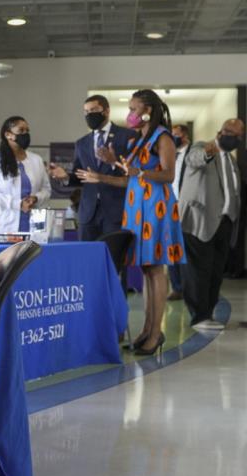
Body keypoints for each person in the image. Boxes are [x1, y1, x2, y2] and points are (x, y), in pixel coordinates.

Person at [76, 89, 183, 355]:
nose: (131, 114)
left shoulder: (162, 136)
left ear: (147, 111)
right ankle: (147, 329)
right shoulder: (141, 139)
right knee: (147, 270)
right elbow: (130, 178)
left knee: (156, 269)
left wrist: (140, 171)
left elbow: (168, 175)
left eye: (134, 109)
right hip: (138, 208)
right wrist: (115, 163)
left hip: (155, 207)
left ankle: (156, 332)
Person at [179, 119, 244, 330]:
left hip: (225, 222)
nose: (231, 136)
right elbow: (194, 159)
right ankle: (198, 317)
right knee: (198, 271)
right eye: (227, 131)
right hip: (200, 219)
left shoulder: (231, 161)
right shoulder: (201, 147)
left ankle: (208, 313)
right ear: (220, 131)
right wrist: (209, 152)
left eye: (236, 134)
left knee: (216, 271)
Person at [47, 95, 131, 241]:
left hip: (116, 210)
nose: (89, 114)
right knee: (88, 258)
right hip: (88, 211)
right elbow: (81, 175)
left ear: (106, 111)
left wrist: (113, 162)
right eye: (86, 112)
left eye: (93, 110)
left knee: (114, 257)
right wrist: (66, 177)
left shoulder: (127, 135)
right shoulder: (82, 143)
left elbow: (132, 173)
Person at [0, 116, 50, 232]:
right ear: (8, 135)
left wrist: (36, 198)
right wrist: (18, 204)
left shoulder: (36, 160)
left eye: (27, 131)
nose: (25, 134)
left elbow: (46, 189)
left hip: (33, 222)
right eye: (21, 131)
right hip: (4, 224)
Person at [168, 124, 192, 300]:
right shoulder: (169, 154)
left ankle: (190, 288)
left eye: (176, 135)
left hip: (187, 207)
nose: (173, 138)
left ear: (185, 137)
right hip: (169, 206)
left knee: (189, 248)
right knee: (172, 248)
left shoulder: (193, 154)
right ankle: (177, 288)